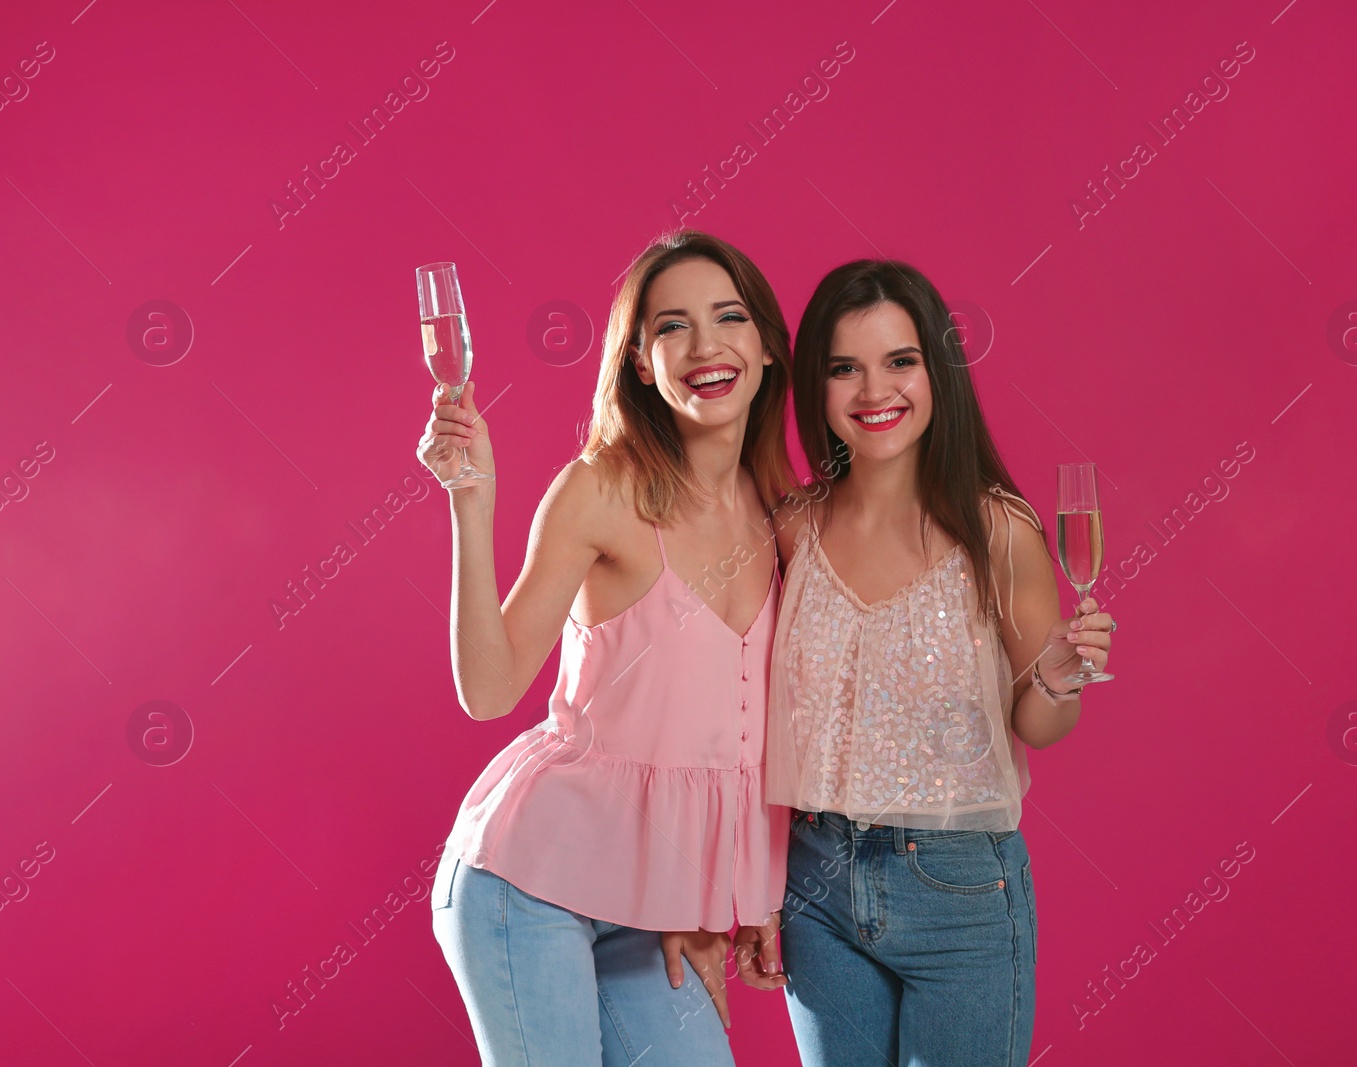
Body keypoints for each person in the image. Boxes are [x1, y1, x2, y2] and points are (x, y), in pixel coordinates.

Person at [419, 230, 796, 1065]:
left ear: (768, 347)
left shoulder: (781, 509)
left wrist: (723, 900)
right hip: (528, 883)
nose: (705, 346)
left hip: (651, 906)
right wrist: (470, 500)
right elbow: (489, 688)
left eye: (729, 316)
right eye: (671, 327)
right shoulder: (601, 489)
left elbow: (746, 734)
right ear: (639, 362)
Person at [738, 258, 1116, 1066]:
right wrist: (752, 885)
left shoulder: (997, 529)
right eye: (846, 368)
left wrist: (1059, 671)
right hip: (815, 883)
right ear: (816, 384)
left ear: (936, 371)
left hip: (962, 891)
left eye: (900, 361)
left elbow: (1041, 725)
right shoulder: (791, 528)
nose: (875, 391)